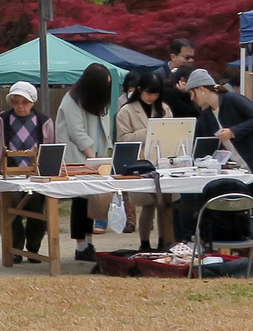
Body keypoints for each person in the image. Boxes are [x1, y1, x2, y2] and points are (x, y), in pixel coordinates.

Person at [185, 68, 253, 270]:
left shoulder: (232, 99)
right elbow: (205, 141)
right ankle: (246, 249)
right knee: (241, 205)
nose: (192, 98)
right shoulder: (207, 115)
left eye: (192, 93)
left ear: (202, 89)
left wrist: (233, 131)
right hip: (238, 166)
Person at [53, 63, 115, 263]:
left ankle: (89, 242)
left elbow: (105, 128)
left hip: (96, 156)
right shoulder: (71, 100)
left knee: (92, 200)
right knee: (80, 200)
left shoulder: (99, 101)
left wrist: (102, 156)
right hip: (78, 158)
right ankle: (81, 245)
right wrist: (93, 158)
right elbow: (77, 132)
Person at [0, 83, 51, 258]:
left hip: (35, 175)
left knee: (36, 212)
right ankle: (16, 249)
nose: (20, 106)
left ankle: (33, 249)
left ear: (32, 103)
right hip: (11, 175)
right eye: (16, 102)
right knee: (12, 211)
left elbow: (49, 146)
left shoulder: (44, 121)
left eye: (24, 102)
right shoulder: (2, 120)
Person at [115, 72, 169, 252]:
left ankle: (164, 241)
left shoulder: (164, 109)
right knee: (147, 204)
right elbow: (122, 139)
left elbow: (171, 132)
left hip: (161, 161)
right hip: (138, 163)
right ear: (139, 90)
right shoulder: (126, 111)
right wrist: (149, 131)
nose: (152, 97)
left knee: (165, 204)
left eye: (155, 94)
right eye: (148, 93)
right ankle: (144, 243)